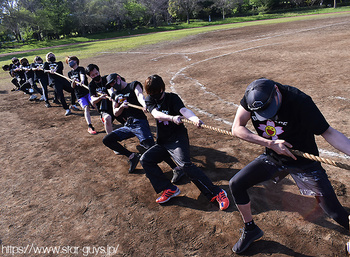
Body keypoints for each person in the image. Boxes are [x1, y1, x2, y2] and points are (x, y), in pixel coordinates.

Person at [229, 78, 350, 254]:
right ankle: (251, 229)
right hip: (274, 157)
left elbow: (329, 132)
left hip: (305, 163)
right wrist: (269, 144)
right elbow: (237, 128)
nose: (266, 114)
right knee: (236, 183)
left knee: (335, 213)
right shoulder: (252, 99)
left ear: (277, 91)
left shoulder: (299, 101)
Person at [140, 74, 230, 210]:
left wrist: (194, 118)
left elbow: (184, 110)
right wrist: (172, 118)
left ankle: (217, 192)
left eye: (157, 92)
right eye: (151, 93)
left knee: (185, 165)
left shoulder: (172, 98)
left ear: (162, 88)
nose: (155, 95)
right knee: (146, 159)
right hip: (163, 141)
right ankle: (169, 188)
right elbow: (156, 114)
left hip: (177, 138)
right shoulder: (150, 99)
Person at [102, 73, 183, 177]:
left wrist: (145, 105)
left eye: (113, 82)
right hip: (128, 124)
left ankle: (176, 168)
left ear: (118, 78)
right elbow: (115, 112)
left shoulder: (133, 85)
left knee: (151, 146)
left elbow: (139, 95)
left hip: (139, 122)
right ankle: (132, 156)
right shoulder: (115, 94)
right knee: (107, 139)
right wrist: (121, 107)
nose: (113, 85)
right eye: (111, 84)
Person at [86, 64, 125, 134]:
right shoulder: (91, 85)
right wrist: (100, 97)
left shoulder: (107, 79)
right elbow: (93, 100)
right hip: (104, 108)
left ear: (98, 71)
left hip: (114, 104)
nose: (95, 76)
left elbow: (115, 86)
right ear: (89, 76)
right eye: (93, 75)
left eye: (96, 73)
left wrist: (112, 94)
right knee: (107, 119)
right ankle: (110, 139)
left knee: (127, 121)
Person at [66, 56, 97, 135]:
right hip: (79, 94)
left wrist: (81, 81)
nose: (70, 62)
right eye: (69, 61)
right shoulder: (69, 73)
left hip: (87, 91)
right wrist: (73, 82)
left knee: (94, 104)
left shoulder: (81, 69)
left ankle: (103, 117)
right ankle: (90, 126)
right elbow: (72, 86)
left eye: (71, 60)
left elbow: (82, 76)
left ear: (76, 61)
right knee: (86, 108)